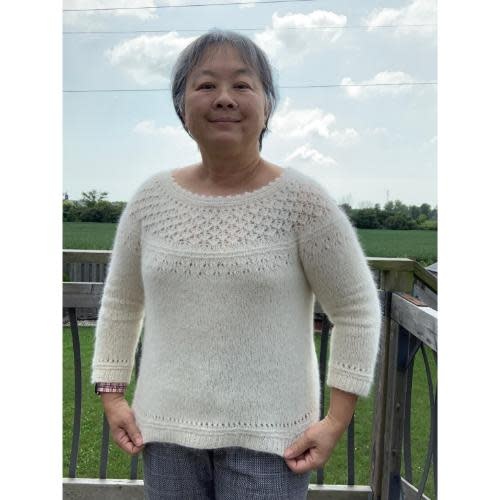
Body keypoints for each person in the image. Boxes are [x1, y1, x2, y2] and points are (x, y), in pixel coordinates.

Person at [91, 29, 382, 500]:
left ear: (267, 106)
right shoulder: (150, 201)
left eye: (242, 85)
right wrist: (112, 393)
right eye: (206, 85)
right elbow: (121, 303)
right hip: (164, 435)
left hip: (273, 443)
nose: (224, 98)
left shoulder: (303, 202)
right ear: (181, 107)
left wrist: (335, 420)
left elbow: (357, 310)